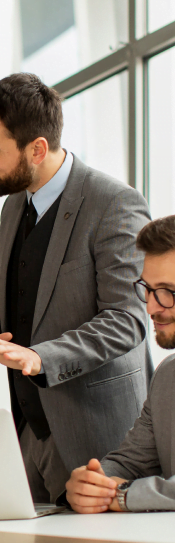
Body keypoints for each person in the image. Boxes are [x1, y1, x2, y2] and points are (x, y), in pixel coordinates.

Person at [0, 72, 152, 503]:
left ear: (38, 148)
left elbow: (128, 320)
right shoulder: (14, 205)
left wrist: (38, 357)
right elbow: (5, 288)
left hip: (100, 437)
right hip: (30, 430)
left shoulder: (114, 204)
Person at [66, 216, 175, 513]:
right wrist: (93, 482)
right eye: (148, 289)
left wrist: (126, 496)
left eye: (167, 292)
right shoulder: (168, 376)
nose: (152, 307)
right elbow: (131, 461)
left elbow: (129, 488)